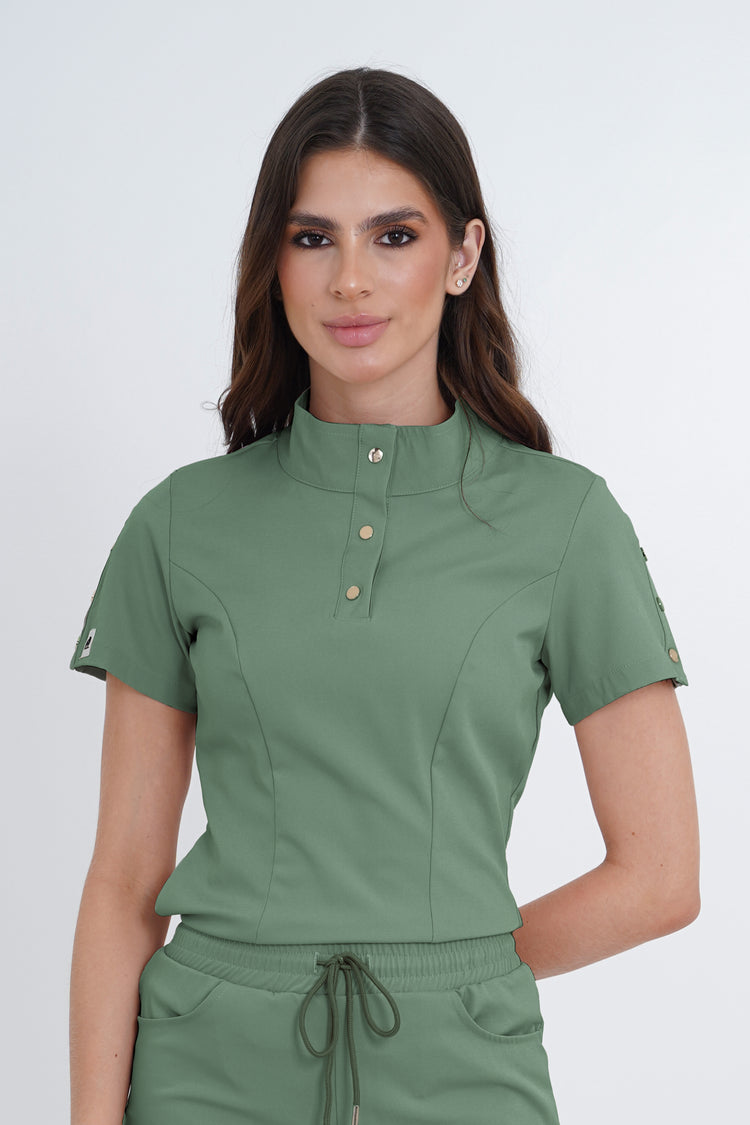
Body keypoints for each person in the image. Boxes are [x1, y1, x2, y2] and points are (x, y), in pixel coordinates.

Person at [68, 67, 700, 1125]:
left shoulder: (567, 523)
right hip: (204, 1071)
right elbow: (123, 885)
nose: (350, 281)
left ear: (462, 257)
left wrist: (458, 971)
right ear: (273, 262)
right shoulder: (180, 524)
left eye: (393, 236)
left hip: (465, 1074)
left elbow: (662, 875)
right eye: (313, 238)